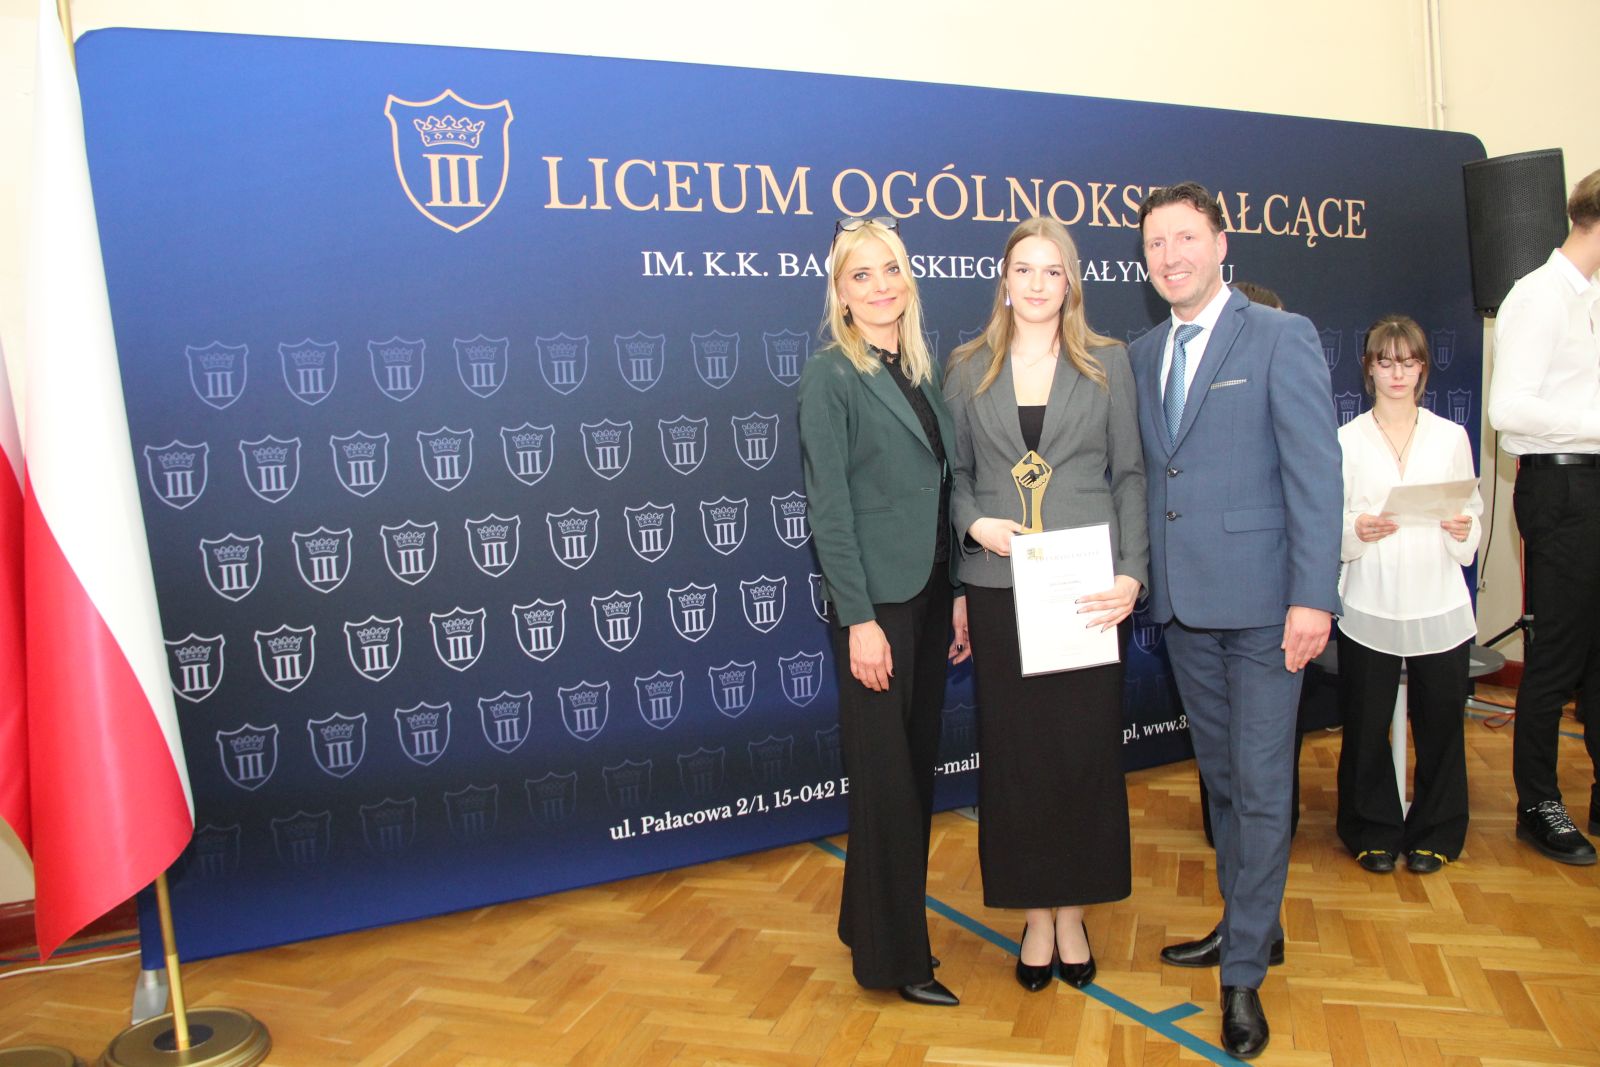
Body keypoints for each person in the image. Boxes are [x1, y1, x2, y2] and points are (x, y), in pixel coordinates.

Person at [1130, 182, 1342, 1059]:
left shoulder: (1281, 336)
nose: (1170, 255)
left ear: (1221, 243)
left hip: (1265, 610)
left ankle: (1243, 974)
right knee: (1222, 782)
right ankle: (1250, 920)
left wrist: (1313, 597)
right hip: (1185, 610)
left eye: (1185, 237)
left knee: (1259, 787)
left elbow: (1316, 475)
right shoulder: (1142, 354)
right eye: (1155, 244)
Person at [944, 217, 1147, 992]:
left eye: (1052, 270)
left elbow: (1131, 473)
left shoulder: (1108, 363)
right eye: (1024, 269)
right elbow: (955, 477)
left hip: (1087, 589)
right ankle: (1035, 913)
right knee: (1018, 757)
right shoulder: (967, 368)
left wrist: (1132, 573)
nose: (1037, 283)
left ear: (1071, 283)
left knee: (1082, 750)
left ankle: (1073, 911)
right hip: (1001, 589)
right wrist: (975, 526)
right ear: (1004, 281)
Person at [797, 217, 968, 1007]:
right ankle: (898, 958)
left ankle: (864, 921)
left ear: (908, 280)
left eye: (889, 269)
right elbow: (828, 511)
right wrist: (858, 618)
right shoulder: (830, 376)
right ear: (839, 293)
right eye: (860, 275)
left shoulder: (920, 371)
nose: (879, 286)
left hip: (928, 597)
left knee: (906, 775)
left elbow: (939, 492)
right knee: (887, 784)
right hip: (877, 611)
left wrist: (957, 592)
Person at [1336, 316, 1481, 875]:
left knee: (1441, 722)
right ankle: (1370, 829)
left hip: (1437, 599)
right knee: (1365, 723)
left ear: (1423, 368)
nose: (1398, 373)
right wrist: (1357, 528)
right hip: (1369, 599)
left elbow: (1471, 509)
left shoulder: (1450, 435)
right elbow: (1332, 518)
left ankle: (1437, 832)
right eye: (1386, 362)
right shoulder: (1347, 438)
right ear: (1369, 368)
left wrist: (1464, 527)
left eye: (1409, 361)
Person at [1487, 167, 1600, 866]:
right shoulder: (1536, 295)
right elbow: (1508, 409)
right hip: (1561, 489)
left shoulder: (1590, 297)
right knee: (1556, 654)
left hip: (1592, 480)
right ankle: (1538, 803)